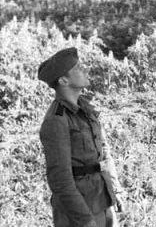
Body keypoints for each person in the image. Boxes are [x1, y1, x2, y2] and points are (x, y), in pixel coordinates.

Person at [38, 47, 125, 227]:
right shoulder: (56, 120)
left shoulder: (85, 109)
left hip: (102, 200)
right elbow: (60, 180)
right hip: (79, 211)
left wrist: (115, 190)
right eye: (77, 68)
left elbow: (103, 153)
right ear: (63, 80)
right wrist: (85, 220)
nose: (84, 70)